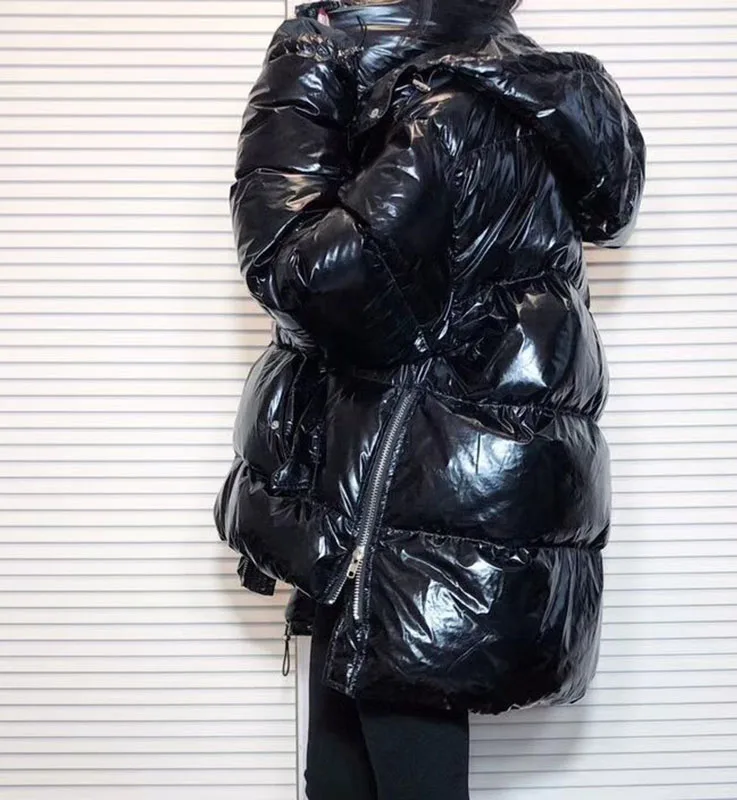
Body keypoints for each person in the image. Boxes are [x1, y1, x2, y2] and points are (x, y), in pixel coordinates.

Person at [213, 0, 646, 797]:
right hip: (442, 474)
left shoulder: (399, 85)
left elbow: (300, 276)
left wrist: (333, 90)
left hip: (406, 480)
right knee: (350, 765)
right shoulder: (507, 81)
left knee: (395, 761)